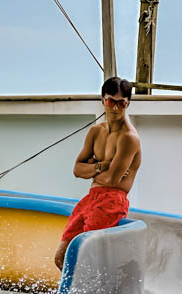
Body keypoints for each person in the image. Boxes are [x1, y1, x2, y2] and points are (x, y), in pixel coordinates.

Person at [55, 77, 141, 271]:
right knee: (61, 257)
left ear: (128, 104)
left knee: (88, 256)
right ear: (103, 100)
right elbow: (77, 170)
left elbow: (112, 180)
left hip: (112, 201)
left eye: (122, 103)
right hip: (90, 199)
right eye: (111, 101)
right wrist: (101, 166)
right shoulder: (96, 132)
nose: (116, 108)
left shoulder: (129, 138)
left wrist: (92, 168)